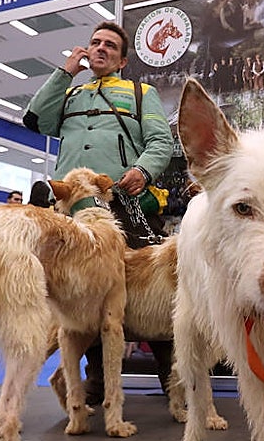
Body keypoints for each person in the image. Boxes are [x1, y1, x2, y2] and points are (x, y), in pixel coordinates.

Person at [23, 20, 176, 403]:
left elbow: (161, 141)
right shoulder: (70, 95)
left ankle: (175, 381)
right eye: (95, 43)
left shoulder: (142, 93)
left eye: (109, 45)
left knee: (152, 292)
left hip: (126, 207)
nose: (100, 48)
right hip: (74, 217)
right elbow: (35, 120)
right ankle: (96, 382)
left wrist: (142, 170)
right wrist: (64, 73)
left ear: (122, 59)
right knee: (83, 296)